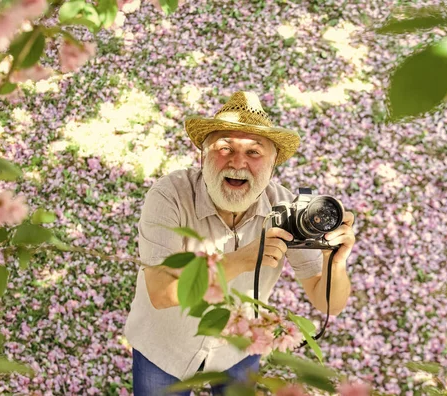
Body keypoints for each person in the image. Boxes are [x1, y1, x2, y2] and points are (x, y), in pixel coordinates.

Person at [124, 91, 356, 395]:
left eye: (254, 152)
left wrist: (334, 262)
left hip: (239, 349)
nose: (238, 161)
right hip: (166, 346)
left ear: (273, 166)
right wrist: (245, 259)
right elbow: (160, 292)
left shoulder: (286, 208)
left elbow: (329, 303)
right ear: (203, 155)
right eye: (225, 147)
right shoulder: (169, 195)